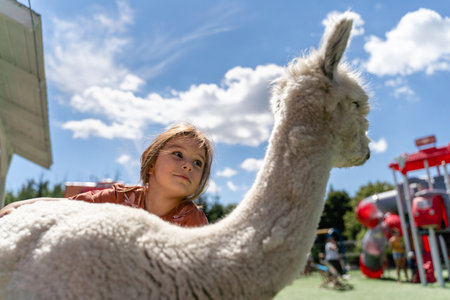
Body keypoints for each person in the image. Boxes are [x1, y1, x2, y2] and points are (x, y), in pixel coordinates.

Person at [0, 123, 212, 227]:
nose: (188, 166)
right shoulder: (120, 199)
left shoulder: (193, 220)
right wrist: (20, 206)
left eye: (198, 162)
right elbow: (65, 205)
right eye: (178, 154)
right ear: (151, 162)